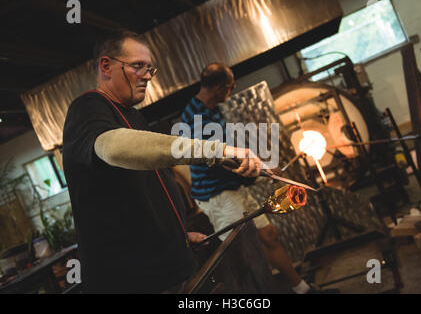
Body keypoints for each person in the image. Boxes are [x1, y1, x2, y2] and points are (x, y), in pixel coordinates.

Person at [62, 31, 261, 293]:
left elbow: (142, 194)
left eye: (149, 68)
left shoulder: (132, 115)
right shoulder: (88, 108)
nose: (147, 75)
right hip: (132, 280)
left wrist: (178, 235)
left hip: (168, 265)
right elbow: (114, 148)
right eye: (137, 66)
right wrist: (218, 151)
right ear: (106, 66)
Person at [181, 63, 319, 294]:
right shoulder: (196, 118)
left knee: (269, 235)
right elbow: (222, 163)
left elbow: (232, 151)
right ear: (217, 87)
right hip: (219, 196)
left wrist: (262, 168)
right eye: (229, 87)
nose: (231, 91)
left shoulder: (212, 107)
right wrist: (263, 172)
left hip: (233, 188)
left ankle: (302, 289)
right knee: (246, 255)